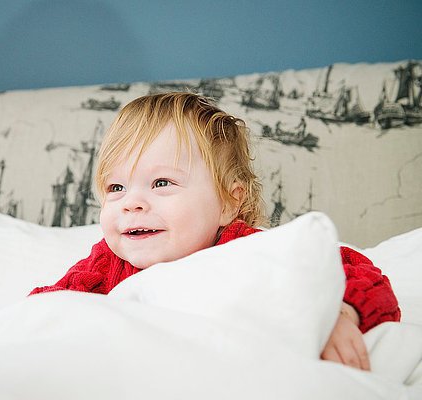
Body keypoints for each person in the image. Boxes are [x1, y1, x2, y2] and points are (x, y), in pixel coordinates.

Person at [30, 92, 400, 371]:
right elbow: (42, 313)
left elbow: (354, 271)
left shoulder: (243, 249)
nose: (132, 203)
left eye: (161, 182)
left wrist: (336, 313)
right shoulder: (106, 263)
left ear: (227, 202)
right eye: (116, 188)